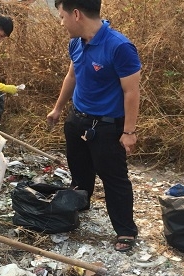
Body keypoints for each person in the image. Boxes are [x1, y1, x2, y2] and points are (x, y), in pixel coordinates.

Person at [46, 0, 141, 252]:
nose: (61, 22)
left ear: (76, 14)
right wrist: (57, 109)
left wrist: (129, 131)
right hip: (77, 118)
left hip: (107, 125)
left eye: (62, 16)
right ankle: (80, 203)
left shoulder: (119, 46)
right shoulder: (76, 43)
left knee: (114, 178)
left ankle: (125, 230)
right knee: (79, 170)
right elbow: (72, 75)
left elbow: (131, 91)